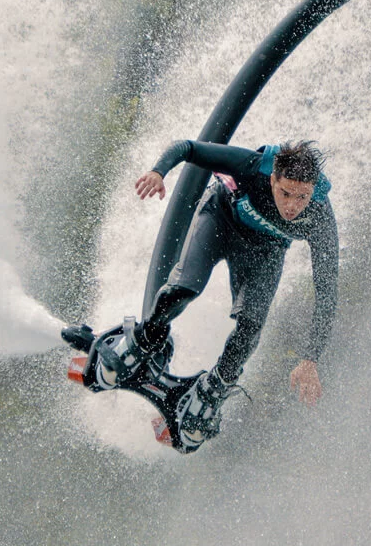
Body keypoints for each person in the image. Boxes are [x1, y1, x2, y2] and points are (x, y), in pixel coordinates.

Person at [66, 139, 338, 448]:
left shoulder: (319, 217)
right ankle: (144, 340)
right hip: (220, 218)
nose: (292, 205)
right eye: (285, 193)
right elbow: (189, 148)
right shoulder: (252, 167)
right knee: (183, 290)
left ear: (312, 192)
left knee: (250, 331)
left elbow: (327, 290)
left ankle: (211, 392)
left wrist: (311, 358)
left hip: (265, 251)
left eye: (302, 197)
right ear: (273, 179)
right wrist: (159, 171)